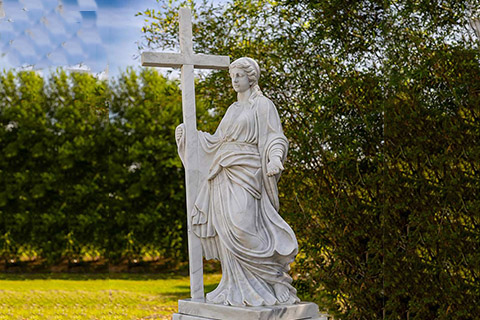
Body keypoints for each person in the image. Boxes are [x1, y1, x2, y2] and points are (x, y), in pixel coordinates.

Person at [176, 57, 299, 307]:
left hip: (248, 172)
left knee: (243, 227)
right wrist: (190, 138)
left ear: (251, 78)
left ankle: (276, 280)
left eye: (239, 76)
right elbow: (217, 141)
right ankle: (235, 287)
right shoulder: (232, 110)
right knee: (226, 233)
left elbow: (276, 137)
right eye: (232, 76)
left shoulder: (263, 106)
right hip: (222, 172)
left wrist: (275, 159)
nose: (234, 80)